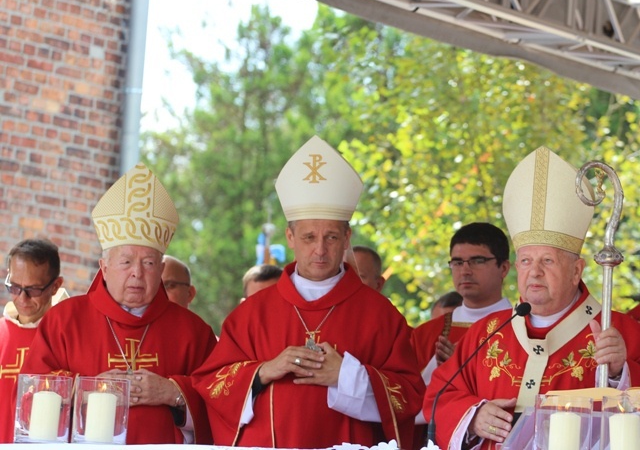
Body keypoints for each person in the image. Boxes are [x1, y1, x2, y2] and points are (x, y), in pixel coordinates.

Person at [194, 135, 424, 449]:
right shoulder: (251, 314)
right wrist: (263, 371)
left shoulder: (380, 315)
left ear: (347, 238)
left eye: (330, 237)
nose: (319, 250)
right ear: (290, 237)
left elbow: (409, 396)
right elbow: (212, 385)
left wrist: (345, 376)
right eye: (308, 237)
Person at [423, 147, 640, 449]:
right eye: (526, 261)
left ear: (576, 270)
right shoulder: (486, 333)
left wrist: (619, 372)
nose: (534, 273)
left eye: (548, 261)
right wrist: (473, 416)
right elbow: (439, 395)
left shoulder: (618, 332)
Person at [21, 164, 217, 444]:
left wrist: (173, 392)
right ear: (104, 266)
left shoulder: (192, 331)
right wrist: (88, 390)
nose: (137, 272)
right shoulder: (64, 320)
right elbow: (32, 396)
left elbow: (223, 402)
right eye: (126, 262)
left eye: (149, 263)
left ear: (161, 270)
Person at [411, 223, 513, 386]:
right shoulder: (426, 335)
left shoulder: (524, 329)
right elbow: (407, 401)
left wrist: (463, 369)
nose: (465, 271)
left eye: (477, 261)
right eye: (457, 262)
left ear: (504, 268)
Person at [0, 238, 68, 443]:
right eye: (14, 287)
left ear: (55, 286)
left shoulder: (66, 337)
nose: (22, 298)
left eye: (33, 290)